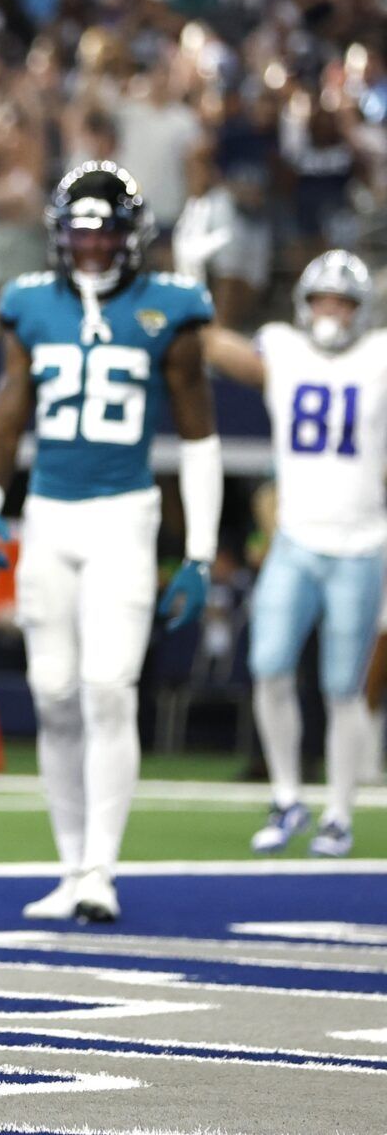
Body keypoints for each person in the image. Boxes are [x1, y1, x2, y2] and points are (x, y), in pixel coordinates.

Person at [0, 161, 221, 924]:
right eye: (81, 233)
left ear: (133, 236)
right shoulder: (32, 305)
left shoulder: (168, 309)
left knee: (110, 688)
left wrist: (201, 551)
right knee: (54, 693)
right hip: (48, 513)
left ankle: (101, 872)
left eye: (106, 232)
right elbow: (9, 414)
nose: (93, 247)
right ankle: (70, 865)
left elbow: (201, 437)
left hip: (124, 516)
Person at [204, 251, 386, 859]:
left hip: (361, 543)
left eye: (344, 302)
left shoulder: (380, 355)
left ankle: (338, 812)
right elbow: (221, 350)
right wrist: (191, 294)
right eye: (322, 300)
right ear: (304, 304)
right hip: (296, 538)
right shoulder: (281, 346)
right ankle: (287, 797)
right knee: (269, 665)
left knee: (344, 687)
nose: (331, 312)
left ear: (362, 310)